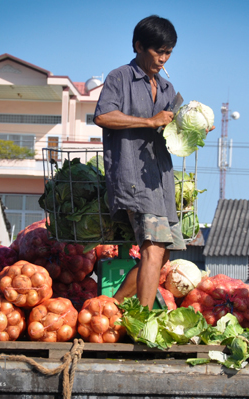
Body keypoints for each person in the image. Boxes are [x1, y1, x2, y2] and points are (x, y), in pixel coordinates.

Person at [93, 15, 190, 308]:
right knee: (152, 248)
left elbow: (167, 128)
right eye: (157, 51)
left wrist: (190, 128)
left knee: (164, 253)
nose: (163, 58)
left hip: (161, 179)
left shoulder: (167, 90)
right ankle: (144, 321)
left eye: (168, 52)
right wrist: (149, 121)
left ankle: (111, 308)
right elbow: (103, 116)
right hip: (134, 177)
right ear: (138, 46)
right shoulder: (119, 77)